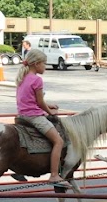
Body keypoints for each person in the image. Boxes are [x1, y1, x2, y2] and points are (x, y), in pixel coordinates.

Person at [13, 47, 67, 192]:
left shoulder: (22, 77)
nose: (45, 67)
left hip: (22, 115)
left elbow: (33, 99)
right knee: (58, 141)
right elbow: (39, 103)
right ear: (36, 64)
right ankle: (54, 175)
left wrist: (48, 105)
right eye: (44, 63)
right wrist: (50, 111)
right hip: (34, 116)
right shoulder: (37, 79)